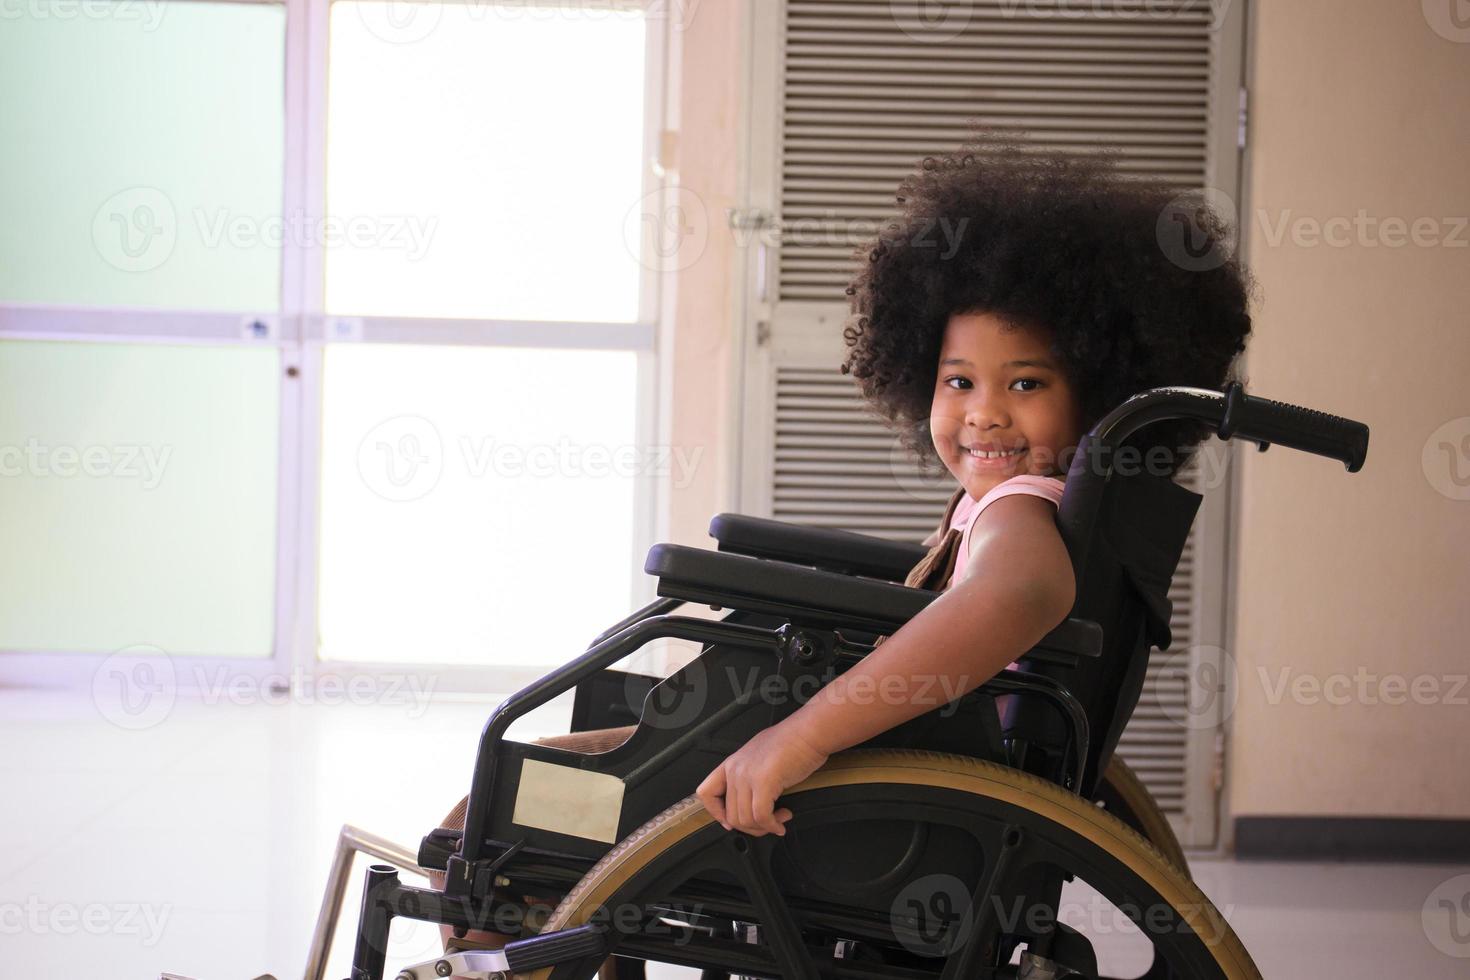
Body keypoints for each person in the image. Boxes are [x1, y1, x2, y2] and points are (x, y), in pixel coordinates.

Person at [425, 132, 1253, 963]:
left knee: (500, 815)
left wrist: (803, 736)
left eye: (1026, 384)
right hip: (890, 770)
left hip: (866, 795)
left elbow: (1017, 598)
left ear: (1096, 393)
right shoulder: (1002, 506)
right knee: (522, 792)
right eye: (959, 381)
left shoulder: (1019, 514)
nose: (984, 412)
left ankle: (491, 950)